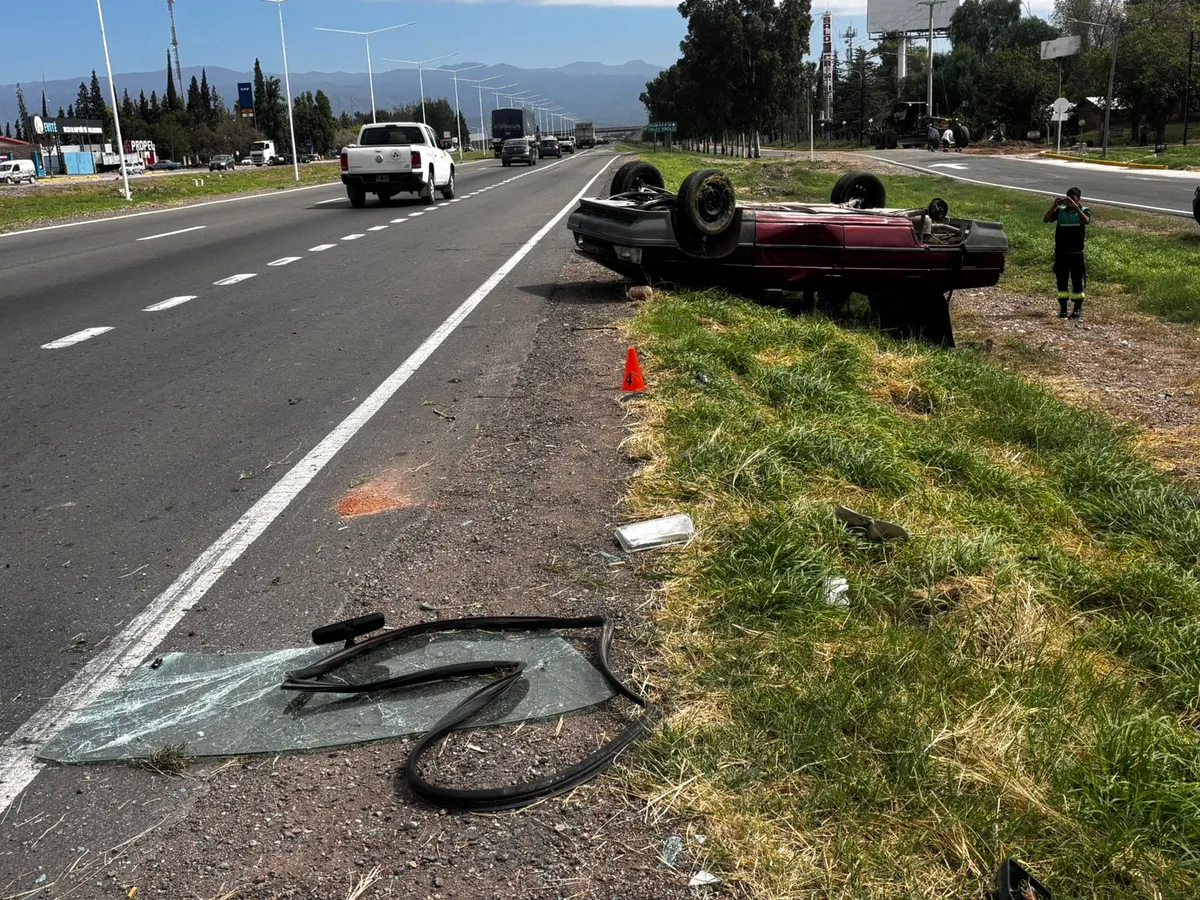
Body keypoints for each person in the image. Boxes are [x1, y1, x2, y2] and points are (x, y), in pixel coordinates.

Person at [1043, 187, 1091, 319]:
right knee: (1061, 281)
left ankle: (1077, 308)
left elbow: (1086, 221)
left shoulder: (1084, 210)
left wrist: (1076, 208)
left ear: (1078, 199)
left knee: (1077, 281)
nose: (1070, 201)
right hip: (1061, 253)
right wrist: (1054, 206)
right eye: (1068, 198)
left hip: (1076, 253)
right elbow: (1046, 219)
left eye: (1073, 198)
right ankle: (1063, 308)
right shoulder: (1060, 211)